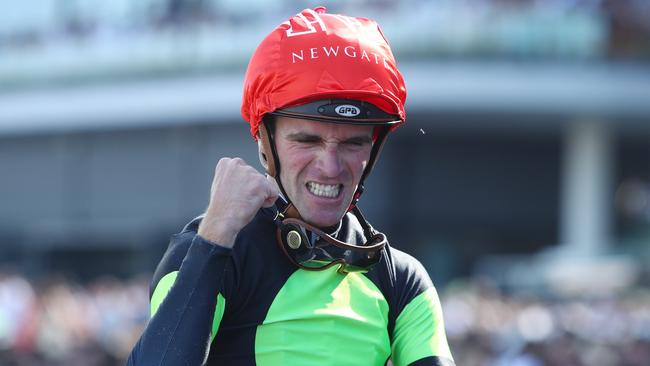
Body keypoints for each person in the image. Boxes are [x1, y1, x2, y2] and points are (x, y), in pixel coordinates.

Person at [128, 6, 454, 366]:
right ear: (265, 142)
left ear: (375, 150)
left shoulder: (402, 279)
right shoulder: (207, 255)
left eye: (353, 143)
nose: (330, 167)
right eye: (307, 140)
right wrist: (216, 234)